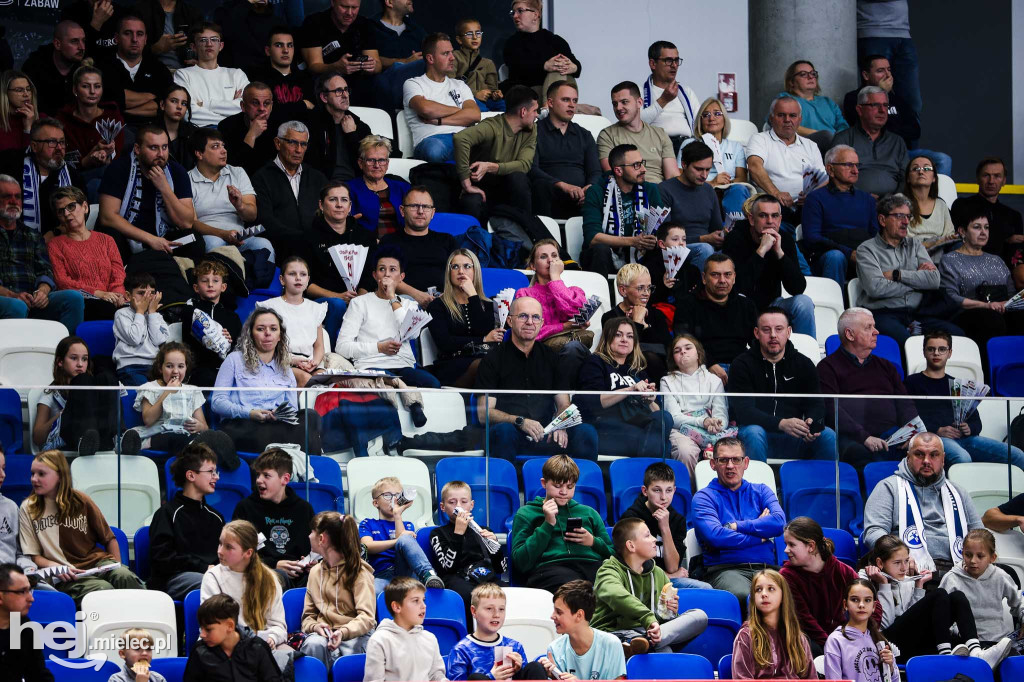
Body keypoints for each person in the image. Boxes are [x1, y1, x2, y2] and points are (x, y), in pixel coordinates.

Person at [474, 296, 599, 462]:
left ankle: (582, 487)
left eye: (535, 317)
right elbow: (484, 414)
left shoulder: (552, 358)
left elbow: (563, 404)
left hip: (547, 434)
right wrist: (520, 421)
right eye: (523, 316)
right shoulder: (493, 359)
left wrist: (560, 424)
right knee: (503, 431)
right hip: (512, 434)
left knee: (586, 432)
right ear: (510, 321)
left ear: (541, 323)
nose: (530, 322)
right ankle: (507, 486)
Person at [859, 533, 1010, 665]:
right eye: (897, 563)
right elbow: (885, 624)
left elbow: (911, 617)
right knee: (939, 594)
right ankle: (944, 656)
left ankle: (977, 653)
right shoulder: (864, 580)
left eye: (906, 561)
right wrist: (883, 585)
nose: (904, 568)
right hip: (887, 644)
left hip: (910, 640)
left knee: (957, 597)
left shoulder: (905, 579)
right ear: (880, 563)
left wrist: (918, 586)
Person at [19, 450, 145, 603]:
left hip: (97, 564)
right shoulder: (28, 507)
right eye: (32, 474)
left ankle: (139, 625)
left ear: (60, 476)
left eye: (41, 474)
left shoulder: (81, 500)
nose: (34, 479)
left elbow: (109, 539)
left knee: (125, 577)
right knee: (103, 590)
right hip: (66, 575)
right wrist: (56, 567)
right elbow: (34, 556)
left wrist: (118, 567)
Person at [863, 433, 984, 578]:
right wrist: (900, 557)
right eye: (919, 454)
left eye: (934, 455)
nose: (926, 461)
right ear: (908, 457)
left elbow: (980, 536)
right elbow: (873, 532)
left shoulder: (959, 492)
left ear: (943, 459)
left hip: (957, 570)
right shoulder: (888, 487)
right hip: (909, 572)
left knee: (1007, 574)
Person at [730, 307, 836, 463]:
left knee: (827, 435)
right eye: (766, 330)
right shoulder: (741, 364)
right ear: (756, 333)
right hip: (756, 436)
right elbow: (744, 411)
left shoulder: (804, 364)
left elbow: (817, 405)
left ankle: (827, 487)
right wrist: (781, 424)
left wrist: (813, 425)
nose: (773, 335)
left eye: (779, 329)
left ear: (788, 332)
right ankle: (757, 486)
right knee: (754, 432)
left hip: (795, 436)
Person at [904, 331, 1024, 469]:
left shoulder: (957, 385)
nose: (936, 353)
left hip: (967, 438)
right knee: (962, 458)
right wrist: (937, 430)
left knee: (1017, 455)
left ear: (949, 353)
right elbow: (908, 417)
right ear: (924, 352)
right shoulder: (912, 382)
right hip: (935, 438)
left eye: (942, 349)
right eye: (931, 349)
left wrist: (969, 428)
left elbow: (976, 421)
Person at [817, 308, 919, 468]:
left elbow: (904, 403)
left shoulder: (886, 366)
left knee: (927, 451)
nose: (876, 332)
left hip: (893, 435)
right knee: (863, 457)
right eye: (868, 327)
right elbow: (831, 409)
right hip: (853, 438)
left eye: (874, 326)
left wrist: (911, 434)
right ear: (850, 334)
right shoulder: (827, 367)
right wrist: (864, 437)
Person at [855, 192, 963, 345]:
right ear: (882, 220)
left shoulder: (915, 245)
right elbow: (876, 288)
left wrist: (897, 274)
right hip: (884, 314)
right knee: (908, 344)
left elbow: (933, 281)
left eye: (908, 216)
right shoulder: (867, 249)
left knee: (958, 335)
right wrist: (918, 282)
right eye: (899, 216)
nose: (906, 222)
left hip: (918, 314)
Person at [211, 307, 323, 454]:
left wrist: (279, 414)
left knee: (310, 416)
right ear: (250, 334)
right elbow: (217, 403)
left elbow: (292, 410)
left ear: (280, 336)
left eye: (273, 329)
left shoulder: (286, 369)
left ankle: (309, 467)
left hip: (276, 424)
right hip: (244, 424)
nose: (267, 333)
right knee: (268, 434)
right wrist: (250, 413)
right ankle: (292, 459)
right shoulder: (234, 360)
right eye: (260, 329)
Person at [592, 517, 708, 656]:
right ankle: (641, 642)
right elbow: (616, 595)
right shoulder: (608, 571)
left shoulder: (658, 573)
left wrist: (669, 612)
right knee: (664, 651)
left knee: (700, 616)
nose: (654, 539)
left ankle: (646, 642)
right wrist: (648, 618)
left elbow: (663, 620)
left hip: (648, 634)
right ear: (631, 546)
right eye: (647, 535)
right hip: (614, 635)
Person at [691, 438, 785, 609]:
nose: (730, 466)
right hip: (726, 570)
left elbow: (779, 523)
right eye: (723, 460)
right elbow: (716, 537)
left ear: (746, 462)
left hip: (767, 568)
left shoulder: (762, 491)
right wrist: (761, 534)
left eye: (736, 459)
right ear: (713, 464)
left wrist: (736, 526)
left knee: (795, 592)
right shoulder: (704, 498)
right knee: (744, 597)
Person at [336, 248, 441, 388]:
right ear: (374, 275)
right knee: (390, 384)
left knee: (432, 384)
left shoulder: (410, 304)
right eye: (382, 269)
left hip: (403, 366)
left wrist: (392, 298)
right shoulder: (359, 303)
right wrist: (378, 348)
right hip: (371, 365)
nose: (387, 274)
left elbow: (412, 333)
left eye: (392, 270)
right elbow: (342, 347)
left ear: (401, 277)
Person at [510, 455, 613, 592]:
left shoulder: (589, 513)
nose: (564, 492)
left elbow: (613, 554)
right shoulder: (527, 513)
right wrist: (547, 524)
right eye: (557, 486)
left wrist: (593, 541)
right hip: (550, 569)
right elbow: (521, 563)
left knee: (615, 582)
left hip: (591, 565)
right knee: (575, 588)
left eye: (570, 487)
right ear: (544, 483)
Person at [96, 125, 197, 262]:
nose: (161, 154)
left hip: (164, 238)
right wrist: (151, 239)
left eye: (164, 147)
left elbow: (186, 223)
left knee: (194, 240)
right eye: (154, 148)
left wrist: (164, 188)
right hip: (128, 239)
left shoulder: (177, 172)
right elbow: (107, 217)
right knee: (109, 236)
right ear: (137, 149)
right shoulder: (119, 168)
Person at [577, 318, 674, 459]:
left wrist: (650, 400)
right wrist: (631, 389)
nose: (624, 339)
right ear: (607, 338)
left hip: (638, 427)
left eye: (630, 336)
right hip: (607, 428)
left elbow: (657, 413)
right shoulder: (596, 363)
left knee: (664, 417)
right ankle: (647, 474)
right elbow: (592, 403)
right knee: (663, 445)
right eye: (618, 335)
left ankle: (643, 472)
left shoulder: (637, 371)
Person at [722, 193, 815, 337]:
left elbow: (797, 288)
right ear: (752, 219)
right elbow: (737, 287)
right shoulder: (735, 238)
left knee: (804, 303)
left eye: (775, 216)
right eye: (763, 216)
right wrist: (761, 251)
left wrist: (779, 253)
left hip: (772, 305)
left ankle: (806, 357)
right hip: (742, 305)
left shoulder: (785, 240)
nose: (770, 221)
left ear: (780, 219)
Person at [842, 55, 952, 176]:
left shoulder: (897, 99)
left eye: (889, 70)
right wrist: (881, 93)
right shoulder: (853, 98)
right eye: (880, 71)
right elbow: (865, 126)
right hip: (873, 154)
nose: (887, 75)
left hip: (903, 153)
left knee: (943, 160)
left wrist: (892, 132)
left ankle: (933, 195)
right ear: (866, 75)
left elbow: (915, 130)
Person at [0, 175, 85, 329]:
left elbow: (45, 269)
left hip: (32, 300)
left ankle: (65, 351)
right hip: (5, 300)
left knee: (73, 298)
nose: (13, 201)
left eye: (18, 197)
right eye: (7, 196)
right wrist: (12, 295)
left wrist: (43, 291)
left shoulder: (32, 235)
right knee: (17, 306)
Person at [940, 206, 1024, 359]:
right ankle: (989, 372)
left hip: (1000, 310)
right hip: (966, 314)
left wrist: (1008, 303)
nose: (983, 232)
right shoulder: (950, 260)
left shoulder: (996, 260)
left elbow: (1011, 293)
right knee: (992, 321)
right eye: (977, 227)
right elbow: (951, 297)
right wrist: (986, 305)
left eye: (986, 228)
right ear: (962, 231)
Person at [129, 342, 233, 462]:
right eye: (169, 366)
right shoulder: (150, 388)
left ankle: (230, 462)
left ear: (186, 368)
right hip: (159, 435)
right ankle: (197, 448)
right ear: (160, 368)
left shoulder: (192, 391)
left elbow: (204, 426)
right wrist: (167, 392)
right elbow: (148, 420)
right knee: (178, 438)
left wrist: (199, 426)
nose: (175, 371)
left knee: (202, 437)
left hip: (186, 435)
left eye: (180, 366)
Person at [148, 443, 225, 601]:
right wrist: (205, 568)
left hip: (212, 575)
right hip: (173, 579)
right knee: (213, 582)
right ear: (191, 476)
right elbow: (163, 560)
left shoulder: (216, 517)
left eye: (215, 471)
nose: (216, 477)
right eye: (210, 471)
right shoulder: (167, 514)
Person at [201, 519, 289, 656]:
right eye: (220, 544)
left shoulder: (269, 580)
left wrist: (272, 638)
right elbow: (213, 625)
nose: (220, 551)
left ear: (248, 553)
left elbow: (279, 626)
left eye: (228, 547)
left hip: (260, 647)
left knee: (292, 659)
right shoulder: (212, 577)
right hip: (222, 645)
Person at [620, 462, 712, 591]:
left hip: (666, 581)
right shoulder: (631, 518)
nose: (664, 497)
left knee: (705, 589)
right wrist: (669, 575)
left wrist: (665, 527)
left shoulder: (677, 520)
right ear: (645, 491)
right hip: (637, 581)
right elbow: (632, 565)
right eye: (657, 490)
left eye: (668, 490)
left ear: (674, 490)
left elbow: (673, 567)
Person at [299, 511, 375, 666]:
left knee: (352, 649)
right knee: (313, 644)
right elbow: (307, 617)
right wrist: (315, 626)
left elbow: (367, 618)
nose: (309, 536)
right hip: (324, 635)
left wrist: (343, 632)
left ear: (321, 539)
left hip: (355, 634)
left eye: (312, 532)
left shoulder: (358, 571)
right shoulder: (314, 572)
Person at [232, 448, 315, 590]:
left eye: (266, 475)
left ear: (285, 479)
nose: (259, 480)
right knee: (276, 577)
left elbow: (313, 550)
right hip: (262, 574)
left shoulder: (304, 509)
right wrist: (274, 565)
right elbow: (237, 554)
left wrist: (310, 563)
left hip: (300, 577)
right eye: (258, 475)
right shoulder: (245, 508)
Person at [300, 183, 373, 343]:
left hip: (360, 297)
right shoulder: (308, 236)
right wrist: (338, 296)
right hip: (324, 300)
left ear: (350, 206)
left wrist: (360, 298)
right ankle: (331, 351)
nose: (339, 205)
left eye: (344, 200)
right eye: (333, 199)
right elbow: (305, 283)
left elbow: (371, 275)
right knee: (338, 305)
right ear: (321, 204)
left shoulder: (364, 236)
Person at [454, 85, 538, 224]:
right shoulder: (492, 127)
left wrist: (490, 166)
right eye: (535, 110)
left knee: (519, 179)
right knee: (471, 202)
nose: (537, 115)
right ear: (523, 112)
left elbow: (524, 165)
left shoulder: (531, 129)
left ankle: (525, 236)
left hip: (508, 187)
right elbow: (460, 139)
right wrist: (466, 183)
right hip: (481, 185)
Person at [188, 128, 274, 263]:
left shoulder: (237, 172)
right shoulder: (188, 179)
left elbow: (252, 215)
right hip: (209, 236)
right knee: (214, 244)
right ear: (199, 154)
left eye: (223, 146)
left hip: (239, 236)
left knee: (264, 245)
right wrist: (223, 234)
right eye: (215, 147)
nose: (224, 150)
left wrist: (240, 205)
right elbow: (191, 223)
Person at [672, 254, 758, 386]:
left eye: (727, 274)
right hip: (701, 368)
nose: (722, 280)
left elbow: (757, 341)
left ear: (734, 277)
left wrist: (745, 366)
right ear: (704, 278)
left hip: (740, 367)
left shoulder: (746, 305)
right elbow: (683, 341)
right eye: (715, 275)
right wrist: (709, 363)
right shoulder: (687, 304)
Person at [779, 517, 859, 657]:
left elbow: (873, 603)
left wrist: (862, 636)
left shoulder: (842, 570)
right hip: (813, 642)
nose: (786, 550)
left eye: (791, 544)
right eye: (786, 544)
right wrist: (833, 646)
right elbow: (804, 620)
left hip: (843, 637)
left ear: (811, 546)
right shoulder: (786, 576)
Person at [428, 481, 506, 623]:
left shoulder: (484, 530)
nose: (458, 506)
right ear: (443, 507)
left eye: (464, 501)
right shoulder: (437, 533)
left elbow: (501, 568)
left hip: (486, 577)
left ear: (472, 505)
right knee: (470, 596)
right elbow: (448, 566)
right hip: (457, 578)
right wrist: (458, 534)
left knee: (511, 594)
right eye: (452, 502)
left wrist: (495, 544)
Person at [581, 144, 664, 276]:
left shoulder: (650, 189)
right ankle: (602, 295)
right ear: (618, 171)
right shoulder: (596, 192)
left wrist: (653, 240)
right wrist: (632, 241)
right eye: (636, 165)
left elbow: (662, 228)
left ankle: (653, 296)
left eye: (642, 163)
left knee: (662, 249)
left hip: (640, 255)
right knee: (600, 250)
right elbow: (593, 238)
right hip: (607, 255)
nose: (643, 169)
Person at [251, 121, 329, 260]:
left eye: (303, 144)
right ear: (278, 143)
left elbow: (327, 214)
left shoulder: (317, 178)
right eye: (293, 143)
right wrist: (302, 238)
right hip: (281, 248)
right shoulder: (261, 178)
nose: (299, 150)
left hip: (317, 247)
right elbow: (266, 222)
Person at [801, 145, 877, 285]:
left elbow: (875, 235)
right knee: (836, 257)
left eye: (857, 165)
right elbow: (812, 238)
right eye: (848, 165)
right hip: (829, 257)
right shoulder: (815, 198)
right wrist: (849, 253)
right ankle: (835, 305)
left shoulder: (868, 199)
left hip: (863, 256)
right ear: (830, 169)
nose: (855, 170)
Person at [425, 249, 502, 388]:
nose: (461, 271)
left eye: (467, 266)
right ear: (449, 273)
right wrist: (483, 339)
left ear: (475, 271)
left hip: (484, 359)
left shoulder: (489, 305)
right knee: (487, 365)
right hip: (452, 365)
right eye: (455, 267)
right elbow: (445, 343)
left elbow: (482, 329)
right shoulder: (437, 306)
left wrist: (473, 295)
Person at [31, 336, 120, 455]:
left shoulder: (94, 384)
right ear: (60, 362)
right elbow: (37, 437)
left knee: (106, 378)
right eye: (74, 358)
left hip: (100, 441)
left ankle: (119, 437)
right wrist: (62, 414)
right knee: (82, 380)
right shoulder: (51, 393)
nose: (80, 364)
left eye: (84, 359)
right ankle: (85, 439)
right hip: (67, 443)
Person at [47, 186, 125, 321]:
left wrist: (117, 295)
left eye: (71, 206)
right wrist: (97, 293)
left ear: (85, 207)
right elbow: (62, 281)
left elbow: (118, 274)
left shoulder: (106, 240)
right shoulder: (55, 245)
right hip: (83, 303)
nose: (66, 214)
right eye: (61, 211)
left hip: (111, 300)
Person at [745, 95, 826, 222]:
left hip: (807, 205)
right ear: (771, 118)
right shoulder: (760, 139)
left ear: (800, 119)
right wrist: (776, 194)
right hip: (773, 205)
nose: (787, 120)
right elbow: (754, 167)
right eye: (781, 115)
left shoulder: (811, 145)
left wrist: (812, 196)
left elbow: (822, 179)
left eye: (793, 115)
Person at [660, 334, 733, 474]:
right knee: (685, 451)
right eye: (677, 350)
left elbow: (721, 413)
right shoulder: (666, 381)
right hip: (681, 430)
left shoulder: (714, 380)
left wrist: (717, 425)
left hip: (711, 429)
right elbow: (673, 417)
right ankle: (692, 493)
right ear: (673, 359)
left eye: (688, 348)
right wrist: (702, 421)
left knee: (728, 453)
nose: (683, 352)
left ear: (698, 353)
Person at [360, 474, 444, 594]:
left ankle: (428, 575)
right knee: (370, 590)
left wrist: (397, 515)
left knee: (405, 538)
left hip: (406, 573)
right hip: (381, 575)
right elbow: (367, 546)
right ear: (375, 503)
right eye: (387, 495)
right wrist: (396, 540)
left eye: (398, 495)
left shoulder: (407, 525)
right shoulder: (368, 523)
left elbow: (403, 542)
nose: (394, 500)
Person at [403, 32, 479, 163]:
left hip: (463, 138)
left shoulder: (460, 85)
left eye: (452, 52)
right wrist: (461, 111)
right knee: (435, 151)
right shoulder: (413, 83)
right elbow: (426, 109)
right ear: (430, 59)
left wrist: (439, 121)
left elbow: (474, 115)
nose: (452, 58)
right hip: (433, 139)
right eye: (445, 54)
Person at [529, 80, 601, 219]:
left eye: (575, 100)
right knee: (540, 186)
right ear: (550, 103)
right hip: (549, 194)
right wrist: (562, 185)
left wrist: (590, 188)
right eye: (565, 100)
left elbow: (595, 171)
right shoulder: (534, 132)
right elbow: (532, 169)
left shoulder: (584, 135)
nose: (571, 105)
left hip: (581, 198)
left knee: (601, 189)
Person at [447, 583, 548, 680]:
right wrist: (491, 677)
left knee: (535, 667)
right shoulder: (461, 650)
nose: (496, 614)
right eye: (489, 609)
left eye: (501, 609)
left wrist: (519, 670)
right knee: (477, 679)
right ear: (474, 611)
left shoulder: (515, 646)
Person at [938, 528, 1022, 645]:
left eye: (980, 556)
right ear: (962, 553)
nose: (973, 560)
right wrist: (958, 631)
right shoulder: (951, 578)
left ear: (992, 558)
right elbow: (940, 614)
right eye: (968, 555)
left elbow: (1019, 602)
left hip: (998, 641)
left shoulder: (1001, 576)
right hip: (964, 642)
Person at [6, 117, 85, 241]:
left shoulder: (72, 175)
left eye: (62, 142)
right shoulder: (11, 164)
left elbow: (83, 211)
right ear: (34, 146)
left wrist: (55, 233)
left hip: (59, 242)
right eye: (52, 142)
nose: (59, 148)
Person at [679, 97, 752, 227]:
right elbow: (679, 176)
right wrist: (712, 183)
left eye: (717, 113)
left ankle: (735, 231)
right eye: (706, 115)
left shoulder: (735, 146)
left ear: (724, 119)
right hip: (699, 188)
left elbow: (741, 177)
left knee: (739, 189)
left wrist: (724, 183)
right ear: (700, 121)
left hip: (729, 189)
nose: (711, 118)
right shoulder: (689, 144)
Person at [378, 187, 457, 308]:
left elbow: (461, 275)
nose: (420, 211)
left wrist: (447, 296)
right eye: (414, 206)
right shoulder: (389, 241)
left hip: (444, 302)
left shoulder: (447, 240)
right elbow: (385, 278)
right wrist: (417, 295)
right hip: (403, 302)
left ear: (433, 212)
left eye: (426, 207)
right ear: (402, 210)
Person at [730, 569, 815, 679]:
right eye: (758, 590)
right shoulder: (745, 636)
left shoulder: (798, 638)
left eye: (771, 589)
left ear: (783, 596)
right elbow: (741, 678)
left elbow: (811, 678)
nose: (764, 594)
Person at [951, 158, 1024, 286]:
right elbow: (961, 241)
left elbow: (1016, 253)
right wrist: (1005, 240)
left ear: (1004, 181)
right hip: (970, 267)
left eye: (997, 176)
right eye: (986, 175)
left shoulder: (1013, 216)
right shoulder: (962, 205)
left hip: (1005, 271)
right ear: (978, 179)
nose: (991, 181)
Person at [257, 256, 327, 386]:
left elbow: (318, 345)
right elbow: (264, 344)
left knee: (323, 378)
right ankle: (298, 407)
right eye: (292, 274)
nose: (298, 278)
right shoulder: (269, 307)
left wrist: (315, 362)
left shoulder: (316, 308)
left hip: (309, 362)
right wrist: (293, 360)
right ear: (282, 280)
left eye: (303, 274)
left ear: (308, 280)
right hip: (280, 360)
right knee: (305, 378)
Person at [515, 239, 591, 357]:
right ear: (533, 266)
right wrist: (564, 326)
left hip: (572, 352)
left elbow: (574, 312)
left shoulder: (575, 291)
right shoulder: (524, 294)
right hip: (538, 355)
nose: (550, 260)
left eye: (554, 256)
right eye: (543, 257)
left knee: (574, 348)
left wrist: (555, 278)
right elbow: (527, 332)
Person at [298, 0, 381, 108]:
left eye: (354, 8)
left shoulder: (365, 25)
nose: (349, 13)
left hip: (358, 84)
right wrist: (336, 67)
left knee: (378, 84)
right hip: (324, 84)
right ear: (332, 3)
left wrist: (371, 66)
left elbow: (378, 65)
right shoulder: (314, 22)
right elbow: (313, 66)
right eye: (344, 7)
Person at [184, 593, 284, 682]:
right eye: (201, 629)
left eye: (208, 629)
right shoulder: (199, 651)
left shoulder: (258, 647)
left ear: (230, 626)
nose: (202, 635)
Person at [364, 577, 446, 682]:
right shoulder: (380, 640)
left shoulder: (430, 638)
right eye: (416, 601)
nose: (423, 606)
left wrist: (442, 680)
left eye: (423, 600)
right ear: (397, 607)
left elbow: (436, 674)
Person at [98, 15, 173, 130]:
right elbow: (105, 102)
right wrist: (150, 95)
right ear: (116, 38)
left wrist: (120, 108)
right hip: (112, 130)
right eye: (127, 33)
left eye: (139, 34)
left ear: (145, 39)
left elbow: (161, 107)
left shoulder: (159, 69)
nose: (134, 39)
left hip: (153, 131)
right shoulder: (102, 67)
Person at [831, 86, 908, 197]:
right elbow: (837, 176)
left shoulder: (897, 142)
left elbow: (906, 177)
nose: (882, 110)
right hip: (854, 200)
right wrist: (863, 196)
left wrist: (894, 199)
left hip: (892, 206)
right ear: (859, 110)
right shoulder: (843, 139)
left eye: (885, 105)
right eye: (875, 105)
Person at [542, 580, 627, 681]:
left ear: (579, 615)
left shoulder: (611, 644)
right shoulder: (554, 649)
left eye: (559, 612)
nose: (552, 616)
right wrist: (553, 677)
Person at [602, 263, 671, 384]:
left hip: (656, 372)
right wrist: (637, 323)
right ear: (623, 290)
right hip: (623, 372)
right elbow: (621, 351)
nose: (647, 293)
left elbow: (665, 349)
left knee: (651, 357)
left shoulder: (657, 315)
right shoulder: (610, 317)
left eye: (649, 288)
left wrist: (646, 326)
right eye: (640, 288)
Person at [597, 82, 678, 184]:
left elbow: (672, 176)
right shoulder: (607, 135)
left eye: (624, 102)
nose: (618, 108)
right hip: (629, 193)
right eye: (615, 104)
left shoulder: (660, 134)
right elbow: (611, 174)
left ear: (639, 102)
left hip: (660, 193)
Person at [659, 142, 721, 274]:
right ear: (684, 164)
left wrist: (723, 235)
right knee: (705, 249)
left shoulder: (709, 190)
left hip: (707, 245)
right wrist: (702, 239)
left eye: (708, 169)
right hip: (678, 248)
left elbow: (717, 228)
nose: (704, 175)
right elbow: (665, 236)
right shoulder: (665, 189)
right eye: (699, 169)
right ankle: (697, 293)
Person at [172, 23, 250, 128]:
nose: (209, 44)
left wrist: (206, 104)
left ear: (221, 46)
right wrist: (232, 114)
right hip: (199, 134)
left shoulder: (236, 74)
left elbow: (248, 107)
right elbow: (187, 113)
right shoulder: (183, 75)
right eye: (203, 40)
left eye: (214, 39)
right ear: (193, 47)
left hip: (234, 134)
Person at [181, 259, 242, 387]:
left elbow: (239, 345)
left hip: (226, 369)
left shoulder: (232, 317)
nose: (210, 284)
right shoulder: (190, 310)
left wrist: (229, 340)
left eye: (215, 280)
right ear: (196, 288)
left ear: (223, 287)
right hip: (199, 369)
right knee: (206, 377)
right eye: (204, 280)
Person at [55, 66, 123, 180]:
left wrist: (107, 157)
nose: (92, 91)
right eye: (85, 86)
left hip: (110, 176)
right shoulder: (62, 120)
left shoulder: (113, 117)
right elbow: (61, 163)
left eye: (97, 86)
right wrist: (87, 160)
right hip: (73, 179)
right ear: (75, 90)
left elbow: (119, 157)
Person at [503, 0, 581, 98]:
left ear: (535, 14)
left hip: (554, 93)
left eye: (520, 11)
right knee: (556, 74)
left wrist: (573, 67)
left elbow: (576, 65)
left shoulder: (555, 41)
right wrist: (545, 66)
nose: (515, 16)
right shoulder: (512, 43)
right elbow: (517, 70)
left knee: (561, 74)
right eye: (513, 12)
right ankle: (552, 108)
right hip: (527, 95)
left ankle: (550, 108)